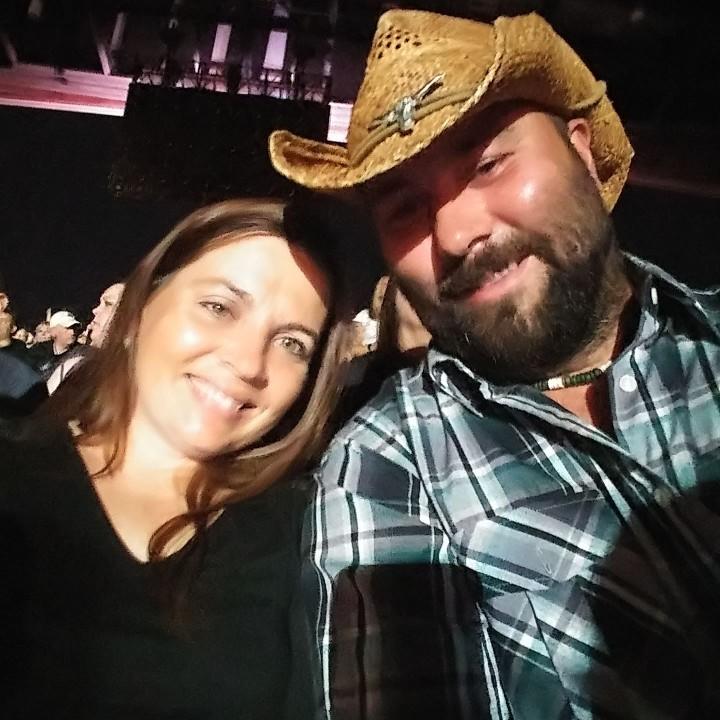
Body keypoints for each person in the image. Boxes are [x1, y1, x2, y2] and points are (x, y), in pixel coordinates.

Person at [269, 9, 720, 719]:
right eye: (404, 208)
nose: (455, 232)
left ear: (581, 152)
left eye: (487, 164)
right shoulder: (389, 467)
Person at [0, 199, 352, 719]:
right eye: (219, 308)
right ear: (143, 304)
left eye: (291, 343)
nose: (248, 363)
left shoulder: (310, 537)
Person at [45, 282, 125, 394]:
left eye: (108, 304)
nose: (95, 310)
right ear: (53, 331)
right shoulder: (76, 363)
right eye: (68, 327)